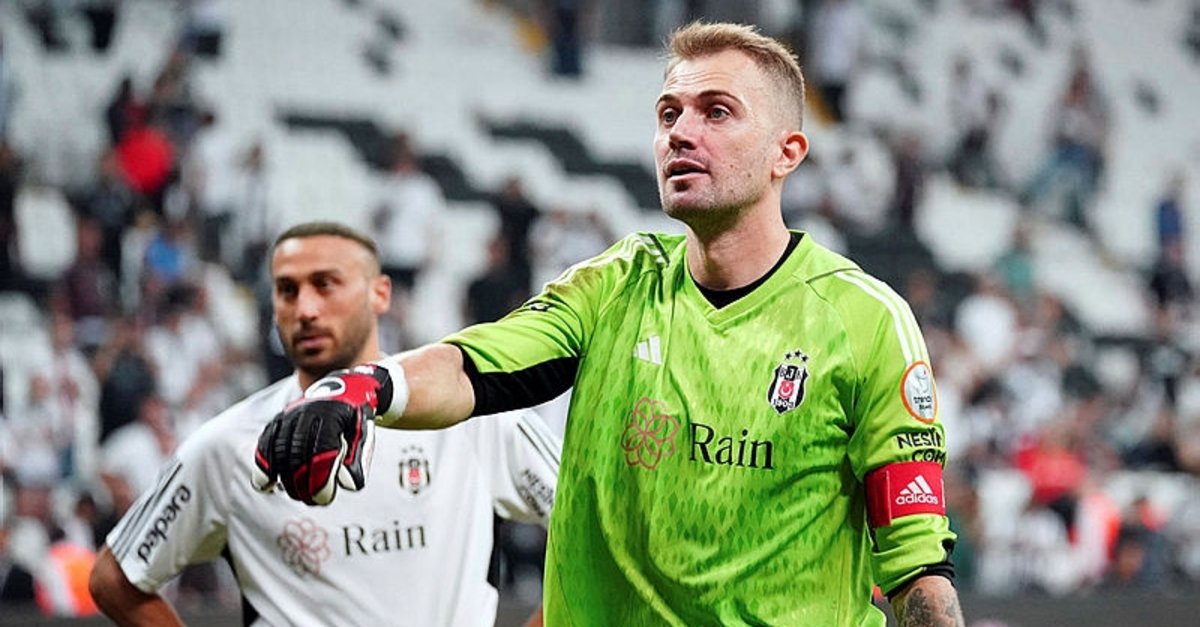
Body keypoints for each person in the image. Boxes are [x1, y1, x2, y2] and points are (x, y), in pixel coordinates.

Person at [253, 23, 963, 626]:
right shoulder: (616, 283)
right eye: (668, 113)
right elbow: (476, 366)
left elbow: (918, 573)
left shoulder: (865, 321)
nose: (681, 132)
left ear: (787, 152)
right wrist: (366, 386)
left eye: (716, 112)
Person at [89, 221, 559, 626]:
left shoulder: (472, 418)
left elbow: (590, 526)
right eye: (287, 290)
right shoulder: (227, 444)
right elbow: (115, 578)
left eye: (325, 284)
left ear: (380, 293)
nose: (305, 309)